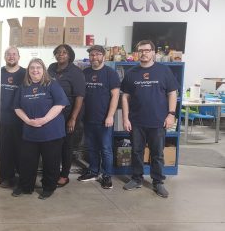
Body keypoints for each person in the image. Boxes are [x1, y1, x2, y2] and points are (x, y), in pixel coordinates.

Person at [121, 40, 178, 198]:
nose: (144, 53)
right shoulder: (131, 73)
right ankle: (137, 178)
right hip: (136, 121)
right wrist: (125, 118)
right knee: (136, 152)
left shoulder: (164, 71)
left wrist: (171, 114)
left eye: (147, 50)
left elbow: (172, 93)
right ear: (137, 53)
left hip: (158, 120)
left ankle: (158, 181)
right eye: (141, 51)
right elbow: (125, 97)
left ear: (153, 52)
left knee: (157, 153)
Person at [11, 58, 69, 200]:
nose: (35, 70)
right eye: (32, 68)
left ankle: (48, 187)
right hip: (30, 132)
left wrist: (44, 120)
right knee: (27, 162)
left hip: (51, 132)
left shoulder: (51, 85)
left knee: (51, 162)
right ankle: (25, 186)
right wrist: (27, 120)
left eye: (38, 67)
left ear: (43, 70)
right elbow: (16, 107)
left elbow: (60, 104)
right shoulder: (23, 87)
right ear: (28, 71)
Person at [79, 45, 120, 189]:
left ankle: (107, 175)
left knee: (106, 149)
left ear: (103, 56)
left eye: (97, 54)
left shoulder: (110, 73)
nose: (94, 57)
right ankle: (93, 171)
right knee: (91, 147)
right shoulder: (85, 73)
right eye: (91, 55)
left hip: (104, 120)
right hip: (88, 118)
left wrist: (110, 116)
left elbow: (115, 96)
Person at [47, 44, 85, 187]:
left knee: (66, 146)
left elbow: (80, 96)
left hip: (68, 114)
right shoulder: (51, 68)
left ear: (70, 55)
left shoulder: (76, 72)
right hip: (52, 114)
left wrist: (73, 118)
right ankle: (53, 172)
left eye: (64, 52)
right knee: (53, 145)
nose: (61, 54)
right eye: (58, 52)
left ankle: (64, 175)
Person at [0, 46, 26, 188]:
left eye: (14, 54)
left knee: (20, 149)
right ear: (5, 57)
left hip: (21, 119)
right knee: (4, 149)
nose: (11, 56)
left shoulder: (25, 73)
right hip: (1, 119)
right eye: (8, 54)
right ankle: (6, 177)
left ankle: (22, 178)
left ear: (18, 57)